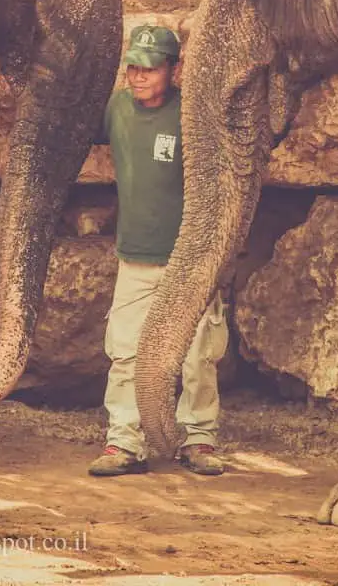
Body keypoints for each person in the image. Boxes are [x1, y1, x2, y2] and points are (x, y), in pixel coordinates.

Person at [88, 24, 228, 478]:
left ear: (174, 68)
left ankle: (198, 438)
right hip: (136, 255)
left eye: (150, 68)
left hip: (190, 260)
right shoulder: (117, 108)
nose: (138, 76)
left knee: (197, 355)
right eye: (132, 66)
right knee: (125, 352)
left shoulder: (191, 115)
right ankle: (124, 443)